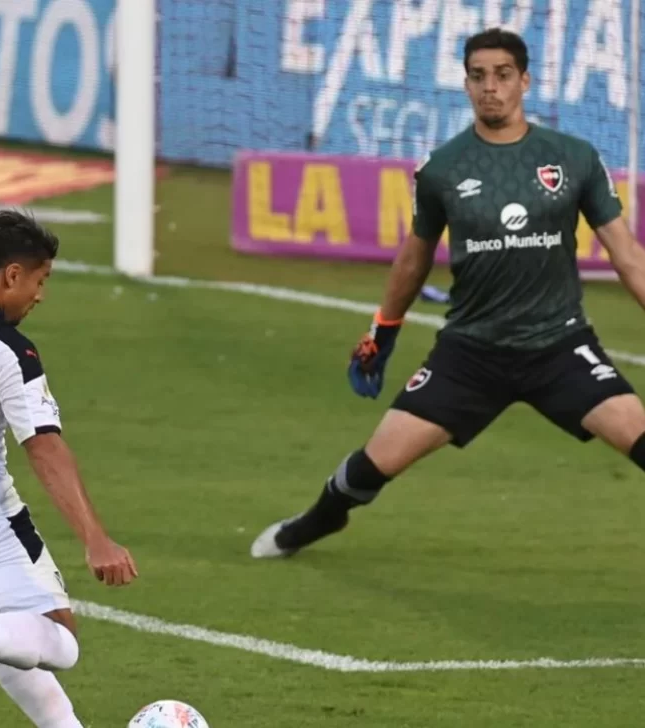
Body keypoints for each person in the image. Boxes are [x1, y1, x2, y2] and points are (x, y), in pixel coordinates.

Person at [250, 27, 645, 560]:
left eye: (503, 75)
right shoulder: (443, 169)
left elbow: (628, 256)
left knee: (637, 435)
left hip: (560, 347)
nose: (491, 87)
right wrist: (381, 331)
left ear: (524, 81)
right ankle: (314, 523)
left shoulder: (573, 158)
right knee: (375, 464)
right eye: (479, 76)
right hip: (470, 354)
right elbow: (414, 257)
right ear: (465, 84)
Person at [0, 209, 138, 727]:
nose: (40, 295)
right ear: (12, 275)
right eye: (40, 280)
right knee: (58, 640)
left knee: (10, 633)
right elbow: (45, 449)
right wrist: (96, 539)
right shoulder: (10, 351)